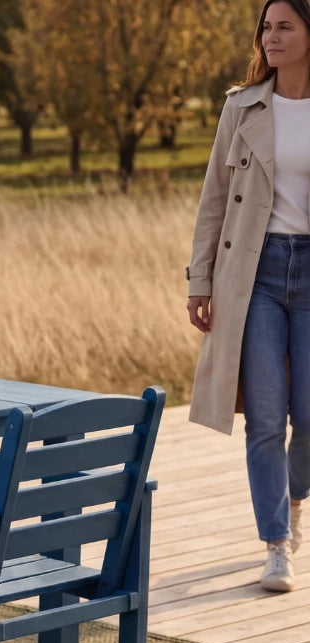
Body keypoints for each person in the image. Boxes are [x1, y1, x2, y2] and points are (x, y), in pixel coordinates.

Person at [187, 0, 310, 591]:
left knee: (308, 417)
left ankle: (296, 496)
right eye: (266, 27)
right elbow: (214, 200)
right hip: (255, 275)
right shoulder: (243, 106)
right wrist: (200, 281)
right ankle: (276, 543)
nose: (272, 36)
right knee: (264, 418)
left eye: (285, 26)